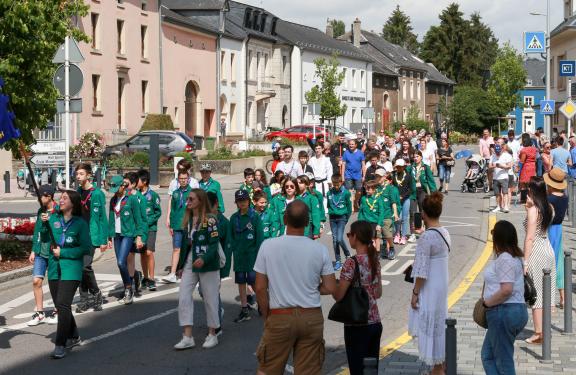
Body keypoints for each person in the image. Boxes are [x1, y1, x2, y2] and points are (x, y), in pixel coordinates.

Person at [254, 200, 336, 375]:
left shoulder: (268, 246)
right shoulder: (319, 250)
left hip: (279, 316)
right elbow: (330, 287)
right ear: (307, 222)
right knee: (309, 370)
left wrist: (267, 314)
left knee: (268, 369)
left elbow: (260, 287)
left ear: (284, 220)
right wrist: (312, 288)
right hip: (311, 316)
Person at [43, 190, 91, 359]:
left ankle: (60, 343)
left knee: (63, 304)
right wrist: (43, 223)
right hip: (55, 268)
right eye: (60, 198)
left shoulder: (80, 224)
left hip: (71, 268)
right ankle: (75, 335)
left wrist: (64, 253)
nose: (60, 200)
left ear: (73, 203)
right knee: (60, 305)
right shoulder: (53, 219)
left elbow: (86, 248)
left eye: (65, 198)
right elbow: (43, 236)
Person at [174, 189, 222, 350]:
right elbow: (184, 246)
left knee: (210, 298)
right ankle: (187, 336)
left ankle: (212, 333)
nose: (188, 201)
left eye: (191, 199)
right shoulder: (188, 221)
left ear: (200, 201)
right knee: (184, 296)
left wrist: (204, 258)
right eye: (187, 199)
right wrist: (180, 266)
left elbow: (214, 244)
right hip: (191, 261)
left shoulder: (211, 220)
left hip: (207, 263)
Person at [333, 220, 382, 374]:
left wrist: (332, 287)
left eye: (349, 234)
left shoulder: (351, 263)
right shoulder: (375, 259)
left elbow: (339, 295)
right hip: (375, 322)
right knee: (371, 369)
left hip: (357, 325)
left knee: (357, 370)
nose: (348, 237)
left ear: (356, 237)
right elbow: (378, 293)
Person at [408, 192, 450, 374]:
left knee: (430, 321)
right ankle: (440, 362)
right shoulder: (445, 232)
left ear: (424, 213)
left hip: (430, 285)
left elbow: (422, 271)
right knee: (439, 322)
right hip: (441, 283)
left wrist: (415, 293)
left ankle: (437, 367)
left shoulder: (426, 237)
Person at [480, 220, 528, 374]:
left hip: (503, 312)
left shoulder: (506, 258)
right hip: (511, 311)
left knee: (503, 360)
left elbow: (506, 290)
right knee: (488, 355)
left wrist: (487, 304)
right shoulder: (515, 257)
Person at [523, 176, 556, 344]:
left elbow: (529, 238)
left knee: (535, 294)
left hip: (536, 251)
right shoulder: (549, 207)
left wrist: (525, 261)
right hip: (548, 248)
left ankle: (538, 333)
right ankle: (545, 329)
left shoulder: (533, 210)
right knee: (547, 291)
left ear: (532, 191)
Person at [74, 163, 108, 313]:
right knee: (80, 268)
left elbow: (102, 218)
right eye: (77, 174)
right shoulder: (77, 192)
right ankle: (84, 300)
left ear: (88, 175)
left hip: (92, 235)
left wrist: (104, 239)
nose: (78, 176)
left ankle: (96, 293)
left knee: (85, 266)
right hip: (79, 236)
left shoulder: (97, 193)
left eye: (81, 174)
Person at [108, 175, 146, 304]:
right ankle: (134, 276)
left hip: (128, 234)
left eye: (116, 188)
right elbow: (111, 219)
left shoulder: (132, 199)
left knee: (120, 262)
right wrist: (109, 237)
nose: (114, 191)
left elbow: (138, 219)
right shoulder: (113, 200)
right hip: (117, 235)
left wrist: (139, 237)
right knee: (121, 264)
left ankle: (128, 289)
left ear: (123, 186)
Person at [27, 185, 59, 326]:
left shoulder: (60, 210)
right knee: (36, 281)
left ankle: (58, 310)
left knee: (54, 283)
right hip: (41, 251)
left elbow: (60, 230)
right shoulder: (41, 210)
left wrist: (50, 220)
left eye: (40, 196)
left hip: (53, 253)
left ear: (49, 196)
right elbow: (37, 232)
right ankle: (40, 313)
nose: (38, 199)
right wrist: (34, 250)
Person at [230, 190, 264, 322]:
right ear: (236, 202)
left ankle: (262, 304)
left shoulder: (254, 217)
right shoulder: (234, 218)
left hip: (252, 256)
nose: (242, 203)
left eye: (244, 200)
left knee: (254, 282)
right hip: (239, 256)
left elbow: (259, 238)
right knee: (240, 282)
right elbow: (231, 237)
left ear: (249, 201)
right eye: (239, 201)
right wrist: (234, 248)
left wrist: (259, 256)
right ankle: (244, 308)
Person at [544, 168, 569, 308]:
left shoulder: (548, 199)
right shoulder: (564, 198)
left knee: (547, 263)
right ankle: (563, 297)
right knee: (559, 263)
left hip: (549, 229)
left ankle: (549, 300)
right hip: (559, 229)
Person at [164, 170, 192, 283]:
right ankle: (173, 273)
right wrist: (170, 223)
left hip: (189, 225)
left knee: (188, 249)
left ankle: (187, 272)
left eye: (185, 178)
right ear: (178, 180)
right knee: (176, 248)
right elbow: (173, 210)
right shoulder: (175, 193)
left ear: (188, 179)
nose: (183, 180)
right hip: (176, 225)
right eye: (181, 179)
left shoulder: (192, 193)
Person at [137, 169, 162, 291]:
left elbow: (158, 212)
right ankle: (145, 277)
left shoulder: (153, 195)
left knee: (149, 252)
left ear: (145, 181)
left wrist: (149, 221)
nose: (136, 182)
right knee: (142, 253)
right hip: (140, 230)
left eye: (138, 180)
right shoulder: (135, 195)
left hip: (151, 228)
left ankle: (152, 279)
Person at [409, 151, 437, 239]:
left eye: (417, 156)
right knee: (412, 212)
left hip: (422, 191)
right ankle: (413, 233)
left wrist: (434, 193)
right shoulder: (410, 168)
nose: (415, 158)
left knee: (423, 211)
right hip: (413, 192)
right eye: (414, 157)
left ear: (421, 157)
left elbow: (431, 181)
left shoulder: (425, 168)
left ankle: (424, 230)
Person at [327, 174, 352, 271]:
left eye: (338, 185)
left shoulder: (346, 193)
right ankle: (338, 261)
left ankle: (347, 254)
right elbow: (329, 205)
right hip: (333, 218)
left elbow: (349, 207)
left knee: (339, 238)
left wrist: (346, 218)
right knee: (334, 240)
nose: (336, 187)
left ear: (341, 183)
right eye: (334, 185)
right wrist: (331, 212)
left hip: (342, 218)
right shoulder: (330, 193)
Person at [376, 169, 400, 260]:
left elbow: (393, 202)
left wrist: (395, 213)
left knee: (387, 234)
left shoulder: (390, 188)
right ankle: (377, 252)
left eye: (379, 176)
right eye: (376, 176)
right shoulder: (376, 188)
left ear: (384, 177)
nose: (377, 178)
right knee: (377, 235)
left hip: (387, 214)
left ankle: (392, 248)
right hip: (377, 216)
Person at [358, 180, 384, 252]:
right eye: (366, 189)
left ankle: (377, 252)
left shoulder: (378, 199)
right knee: (371, 239)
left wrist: (379, 224)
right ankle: (373, 253)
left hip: (375, 222)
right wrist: (359, 222)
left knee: (377, 238)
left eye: (368, 189)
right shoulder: (363, 199)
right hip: (367, 223)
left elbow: (381, 212)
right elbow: (361, 212)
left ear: (374, 189)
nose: (366, 191)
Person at [393, 159, 414, 246]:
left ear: (404, 167)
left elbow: (410, 189)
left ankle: (404, 236)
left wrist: (403, 196)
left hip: (405, 199)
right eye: (397, 167)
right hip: (396, 199)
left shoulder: (408, 176)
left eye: (400, 167)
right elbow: (392, 187)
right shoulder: (393, 175)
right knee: (398, 218)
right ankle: (397, 233)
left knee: (404, 218)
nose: (398, 168)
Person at [296, 174, 322, 239]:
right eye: (297, 183)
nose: (298, 184)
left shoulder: (312, 197)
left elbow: (315, 215)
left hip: (308, 228)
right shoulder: (296, 197)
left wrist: (316, 231)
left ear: (307, 184)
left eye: (301, 183)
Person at [342, 139, 365, 211]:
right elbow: (343, 165)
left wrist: (364, 175)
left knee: (358, 191)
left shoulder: (360, 153)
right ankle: (351, 206)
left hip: (358, 174)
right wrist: (343, 176)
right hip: (348, 174)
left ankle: (355, 201)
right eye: (350, 144)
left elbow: (363, 165)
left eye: (352, 144)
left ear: (356, 145)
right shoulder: (346, 153)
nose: (351, 145)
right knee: (349, 191)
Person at [490, 144, 513, 213]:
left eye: (499, 151)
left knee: (505, 192)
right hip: (495, 177)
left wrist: (501, 166)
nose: (498, 153)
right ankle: (498, 206)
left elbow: (509, 166)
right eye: (496, 151)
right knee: (497, 193)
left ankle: (505, 206)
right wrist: (494, 166)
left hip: (504, 177)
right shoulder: (492, 156)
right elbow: (489, 166)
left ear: (501, 150)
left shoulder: (506, 156)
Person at [519, 133, 538, 204]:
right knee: (531, 184)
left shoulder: (524, 150)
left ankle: (524, 199)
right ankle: (531, 198)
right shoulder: (534, 149)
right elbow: (535, 159)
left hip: (526, 167)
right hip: (533, 166)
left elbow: (522, 161)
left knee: (523, 183)